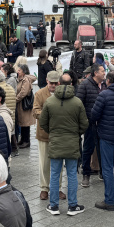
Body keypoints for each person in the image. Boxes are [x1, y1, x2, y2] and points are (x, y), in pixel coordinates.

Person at [39, 72, 88, 216]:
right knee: (72, 174)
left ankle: (53, 206)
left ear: (59, 84)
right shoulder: (77, 102)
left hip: (55, 142)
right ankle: (72, 206)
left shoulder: (49, 102)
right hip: (72, 142)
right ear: (71, 84)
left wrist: (53, 132)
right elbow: (84, 124)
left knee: (54, 174)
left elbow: (43, 123)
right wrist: (76, 133)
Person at [90, 71, 114, 211]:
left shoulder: (104, 95)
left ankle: (109, 201)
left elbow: (94, 115)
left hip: (106, 135)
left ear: (109, 81)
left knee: (107, 168)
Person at [33, 71, 65, 200]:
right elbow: (35, 111)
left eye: (56, 83)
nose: (53, 85)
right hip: (44, 133)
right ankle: (44, 188)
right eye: (51, 83)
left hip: (59, 134)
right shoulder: (39, 94)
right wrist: (49, 116)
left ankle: (57, 188)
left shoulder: (63, 93)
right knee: (44, 163)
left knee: (58, 163)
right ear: (46, 81)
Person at [77, 63, 106, 187]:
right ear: (96, 73)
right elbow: (79, 104)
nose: (104, 73)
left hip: (103, 123)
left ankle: (102, 172)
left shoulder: (105, 85)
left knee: (102, 149)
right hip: (89, 123)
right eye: (102, 71)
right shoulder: (85, 85)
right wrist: (85, 121)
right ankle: (86, 174)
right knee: (88, 148)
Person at [14, 64, 36, 149]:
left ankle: (26, 141)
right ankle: (23, 140)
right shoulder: (21, 79)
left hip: (24, 105)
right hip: (21, 105)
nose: (17, 72)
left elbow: (23, 92)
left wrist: (15, 100)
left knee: (26, 123)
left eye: (19, 70)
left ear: (23, 72)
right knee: (23, 123)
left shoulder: (25, 80)